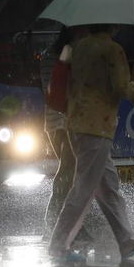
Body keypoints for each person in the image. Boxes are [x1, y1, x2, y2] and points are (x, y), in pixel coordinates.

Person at [48, 24, 134, 261]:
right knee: (84, 188)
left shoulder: (78, 47)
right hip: (97, 127)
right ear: (112, 25)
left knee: (108, 186)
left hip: (77, 123)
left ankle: (126, 241)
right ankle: (58, 246)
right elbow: (120, 89)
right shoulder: (112, 50)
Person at [40, 26, 92, 242]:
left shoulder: (86, 54)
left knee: (73, 171)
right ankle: (56, 223)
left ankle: (67, 223)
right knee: (69, 168)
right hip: (60, 117)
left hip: (77, 116)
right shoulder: (56, 56)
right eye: (82, 34)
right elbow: (52, 91)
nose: (86, 38)